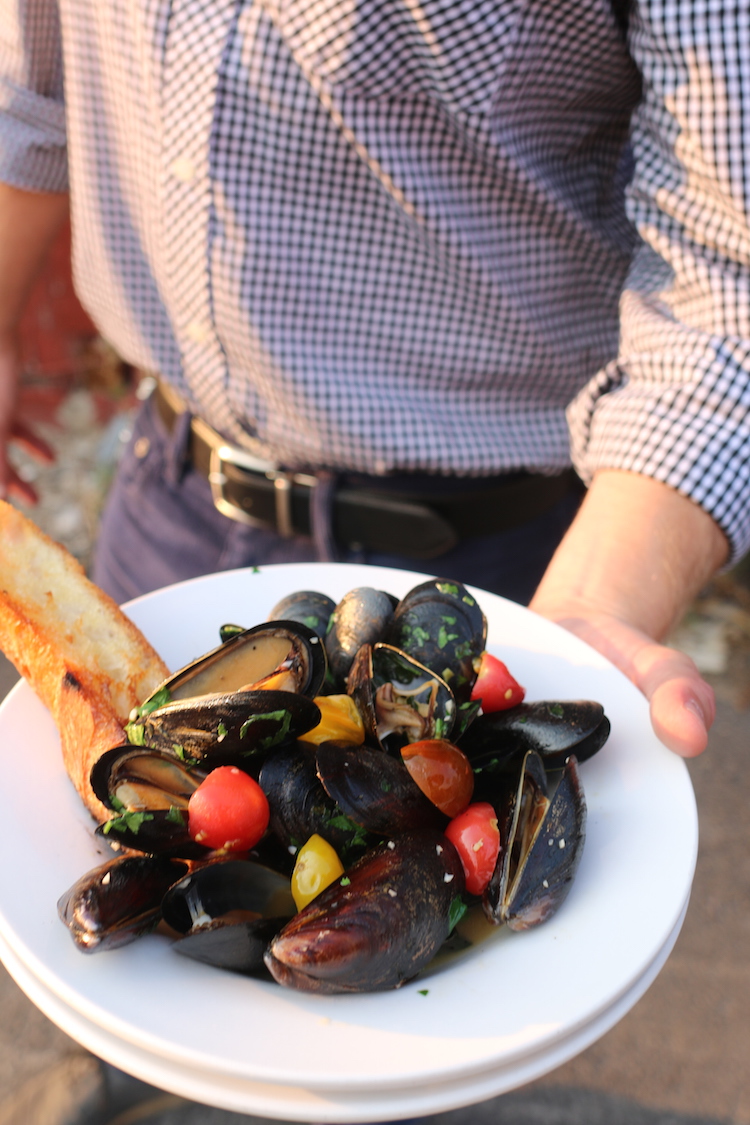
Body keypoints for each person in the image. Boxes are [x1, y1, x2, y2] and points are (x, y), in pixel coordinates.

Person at [0, 0, 744, 768]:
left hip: (497, 566)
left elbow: (730, 285)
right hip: (166, 500)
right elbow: (28, 81)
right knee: (128, 804)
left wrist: (598, 599)